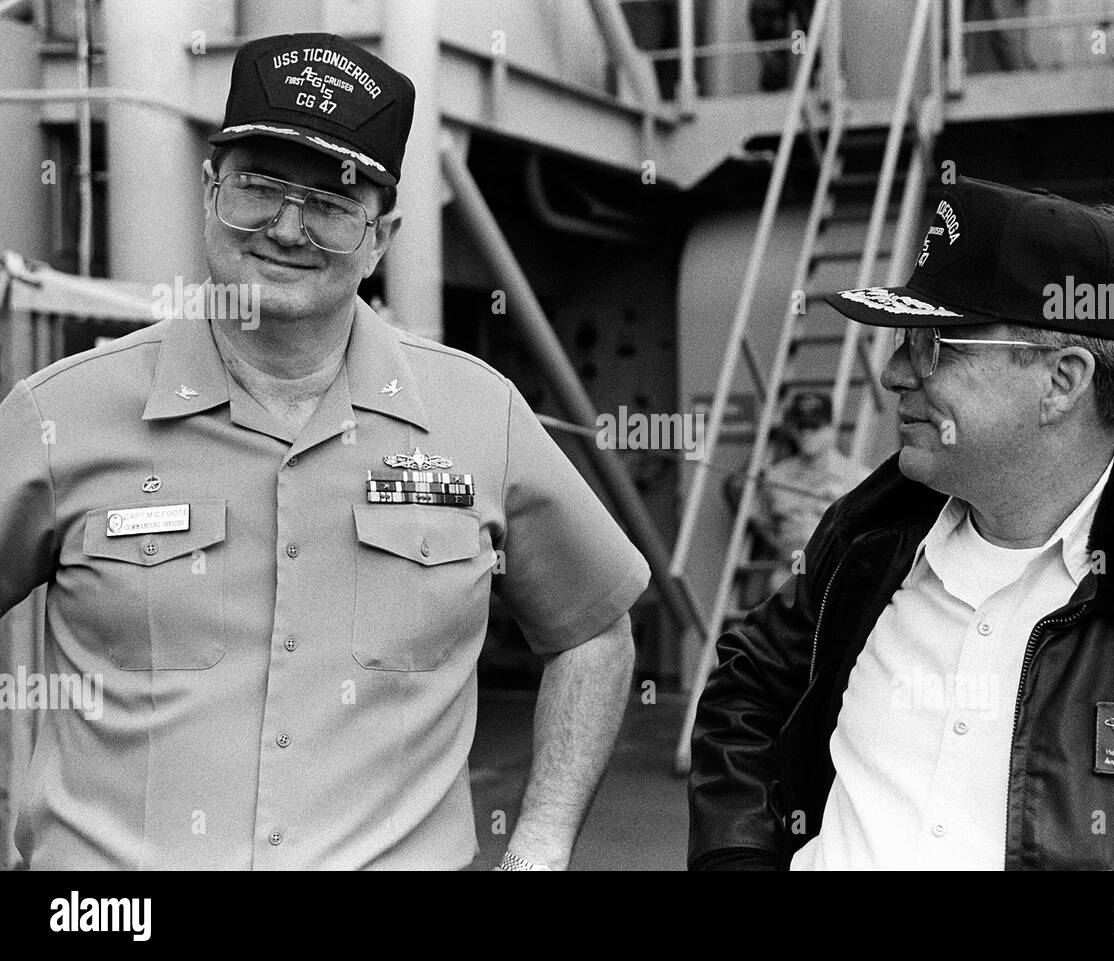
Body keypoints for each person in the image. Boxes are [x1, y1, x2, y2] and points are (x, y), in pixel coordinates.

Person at [0, 33, 649, 870]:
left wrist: (541, 842)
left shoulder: (478, 416)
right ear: (209, 194)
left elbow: (595, 630)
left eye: (334, 204)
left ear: (382, 236)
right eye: (259, 188)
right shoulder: (61, 415)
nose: (288, 227)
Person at [688, 176, 1114, 870]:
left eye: (933, 343)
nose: (892, 372)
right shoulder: (869, 537)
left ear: (1061, 382)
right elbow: (749, 689)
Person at [752, 392, 862, 592]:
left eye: (815, 427)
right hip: (792, 572)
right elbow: (763, 522)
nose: (807, 434)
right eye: (801, 427)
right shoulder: (775, 477)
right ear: (792, 429)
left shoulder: (858, 478)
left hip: (840, 576)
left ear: (831, 429)